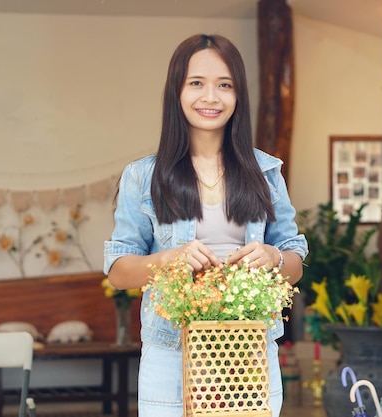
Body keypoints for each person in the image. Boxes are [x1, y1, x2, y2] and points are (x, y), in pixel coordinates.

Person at [104, 33, 308, 417]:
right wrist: (171, 259)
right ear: (176, 92)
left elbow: (294, 262)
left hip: (249, 356)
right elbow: (118, 271)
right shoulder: (143, 177)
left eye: (224, 85)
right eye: (196, 83)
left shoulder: (266, 172)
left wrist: (273, 257)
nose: (211, 97)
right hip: (170, 355)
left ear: (238, 95)